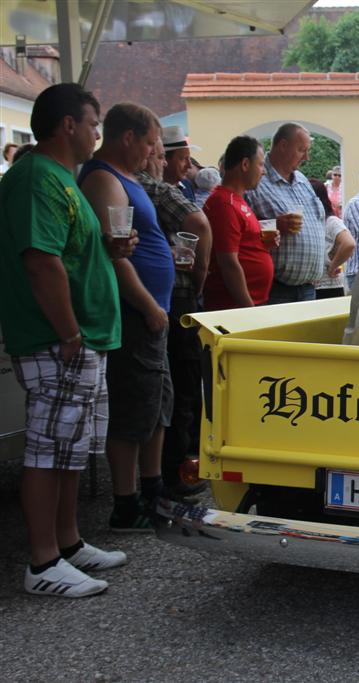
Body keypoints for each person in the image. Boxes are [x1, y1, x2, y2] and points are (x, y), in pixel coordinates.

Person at [0, 83, 130, 597]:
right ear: (68, 125)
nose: (99, 132)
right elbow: (41, 261)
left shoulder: (59, 177)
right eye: (94, 122)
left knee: (71, 446)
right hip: (59, 339)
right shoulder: (36, 178)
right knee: (48, 448)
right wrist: (69, 331)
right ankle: (42, 561)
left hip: (78, 338)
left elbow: (70, 251)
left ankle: (68, 542)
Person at [79, 102, 176, 531]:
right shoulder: (104, 178)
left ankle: (152, 489)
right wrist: (148, 304)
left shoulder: (130, 178)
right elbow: (114, 255)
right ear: (128, 138)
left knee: (156, 405)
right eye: (150, 143)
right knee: (132, 409)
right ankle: (126, 501)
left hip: (153, 312)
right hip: (136, 314)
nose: (152, 152)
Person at [136, 128, 213, 496]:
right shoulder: (157, 190)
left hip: (171, 297)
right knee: (180, 381)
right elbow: (198, 226)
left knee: (181, 382)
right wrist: (200, 276)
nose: (180, 164)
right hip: (175, 296)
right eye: (174, 157)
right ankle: (175, 468)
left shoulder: (178, 189)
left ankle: (177, 463)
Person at [245, 123, 327, 304]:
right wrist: (275, 224)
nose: (307, 157)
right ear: (283, 145)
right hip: (276, 289)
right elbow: (239, 229)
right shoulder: (256, 180)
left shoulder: (302, 180)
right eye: (301, 150)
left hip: (308, 288)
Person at [202, 136, 276, 310]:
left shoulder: (237, 200)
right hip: (234, 307)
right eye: (260, 164)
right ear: (244, 164)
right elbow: (228, 261)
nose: (263, 171)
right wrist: (248, 309)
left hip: (249, 303)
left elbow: (242, 245)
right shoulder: (224, 203)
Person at [311, 179, 356, 299]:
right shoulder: (313, 222)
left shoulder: (331, 221)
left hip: (328, 286)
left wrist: (333, 266)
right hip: (313, 286)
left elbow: (349, 243)